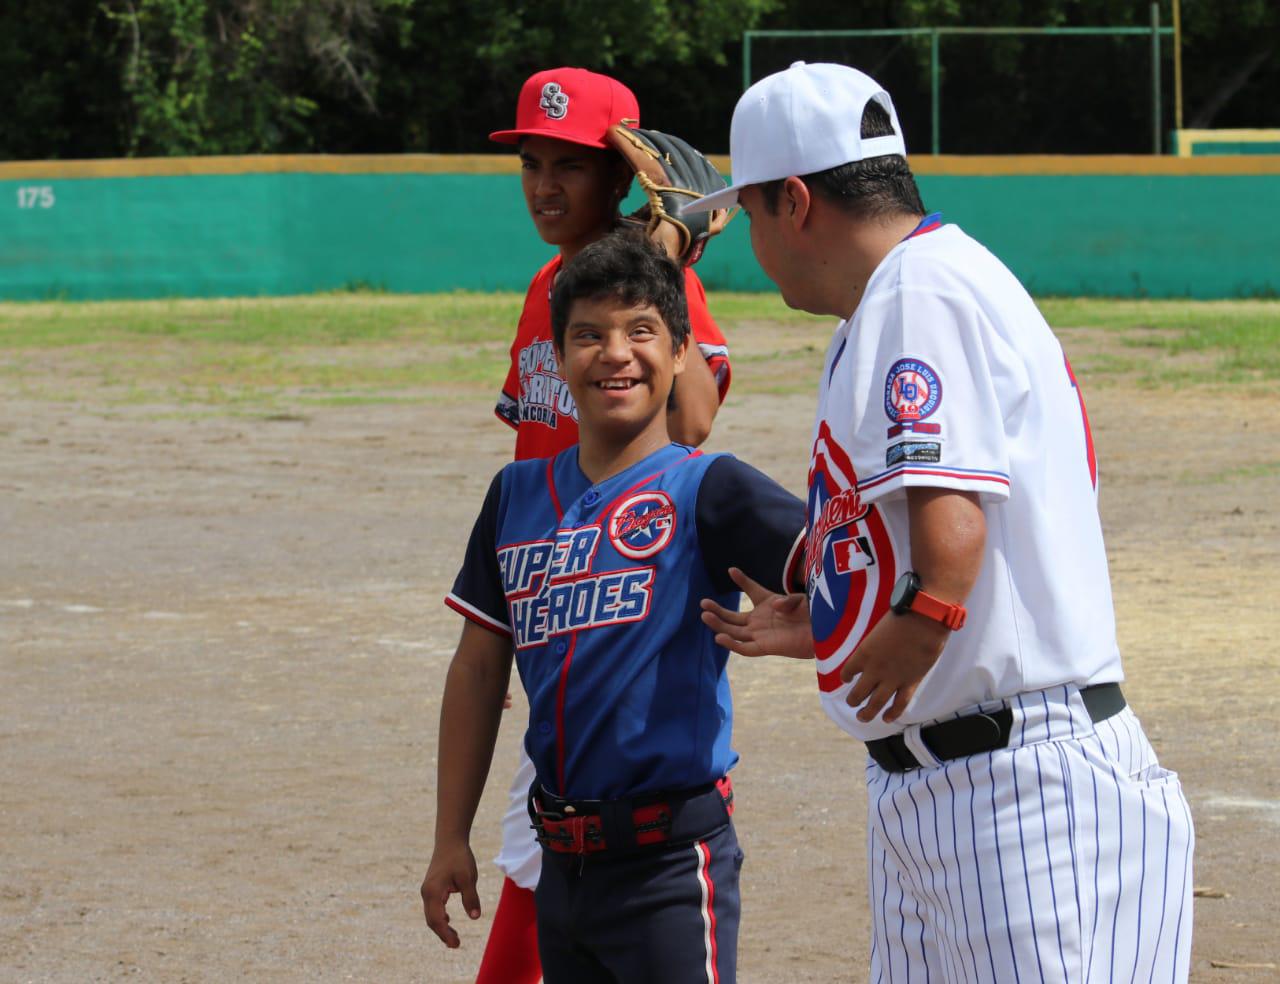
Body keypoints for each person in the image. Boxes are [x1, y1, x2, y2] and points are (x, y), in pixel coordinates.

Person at [691, 62, 1195, 982]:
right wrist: (841, 618)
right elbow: (928, 532)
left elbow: (953, 534)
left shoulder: (917, 291)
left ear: (795, 201)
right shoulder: (907, 293)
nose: (752, 242)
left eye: (753, 214)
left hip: (1025, 801)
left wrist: (923, 621)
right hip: (950, 787)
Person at [421, 232, 805, 983]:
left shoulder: (710, 488)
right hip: (562, 867)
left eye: (641, 332)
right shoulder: (517, 496)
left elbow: (857, 573)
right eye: (587, 336)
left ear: (682, 351)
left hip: (667, 863)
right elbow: (475, 670)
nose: (615, 354)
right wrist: (449, 838)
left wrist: (819, 631)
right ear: (558, 358)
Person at [474, 67, 734, 984]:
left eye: (571, 166)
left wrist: (669, 268)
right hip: (551, 597)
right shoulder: (551, 285)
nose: (546, 184)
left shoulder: (642, 285)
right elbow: (530, 459)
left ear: (621, 176)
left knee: (538, 847)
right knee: (535, 854)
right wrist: (521, 624)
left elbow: (694, 423)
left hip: (616, 595)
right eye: (531, 163)